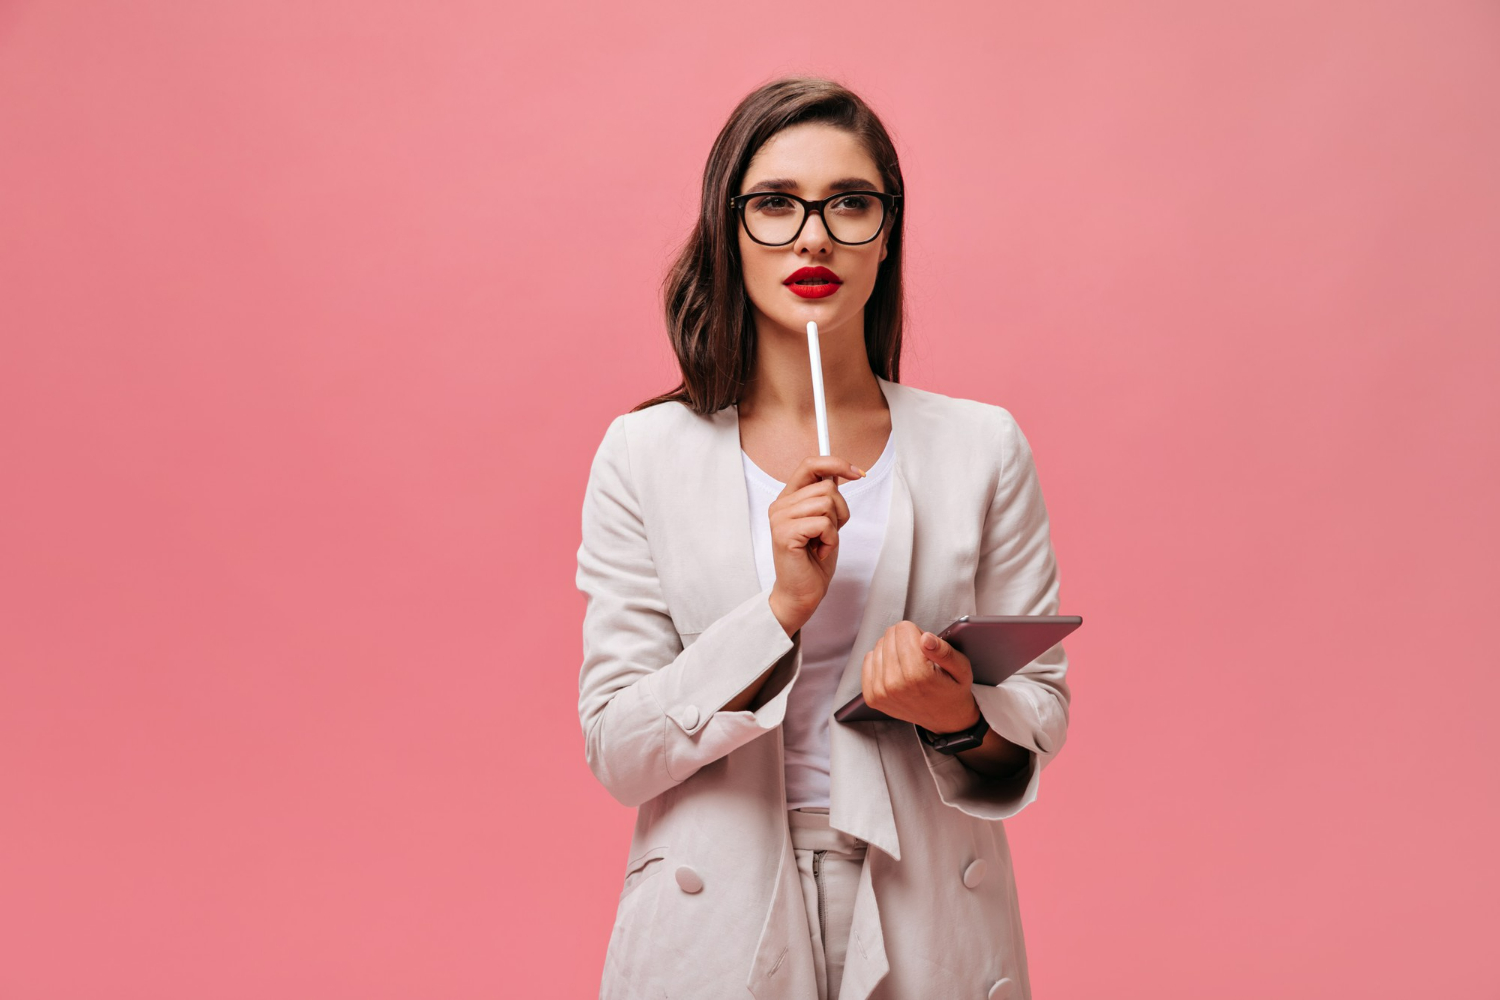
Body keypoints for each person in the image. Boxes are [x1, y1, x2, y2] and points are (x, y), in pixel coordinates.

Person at [575, 76, 1071, 1000]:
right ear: (729, 229)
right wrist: (777, 614)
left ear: (887, 236)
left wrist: (956, 715)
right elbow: (619, 749)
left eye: (850, 203)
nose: (814, 236)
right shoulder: (645, 453)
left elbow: (1038, 714)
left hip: (929, 912)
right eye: (775, 204)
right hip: (713, 918)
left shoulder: (982, 446)